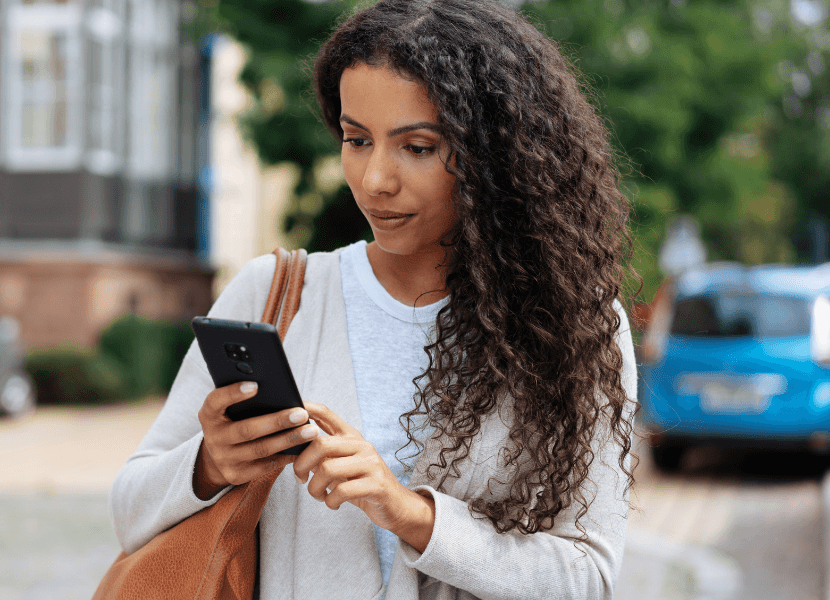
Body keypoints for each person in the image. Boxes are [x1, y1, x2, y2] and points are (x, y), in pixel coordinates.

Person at [109, 0, 637, 598]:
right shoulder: (274, 295)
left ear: (497, 157)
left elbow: (588, 577)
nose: (374, 179)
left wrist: (408, 513)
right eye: (357, 139)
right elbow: (130, 510)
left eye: (417, 147)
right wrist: (210, 465)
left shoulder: (571, 326)